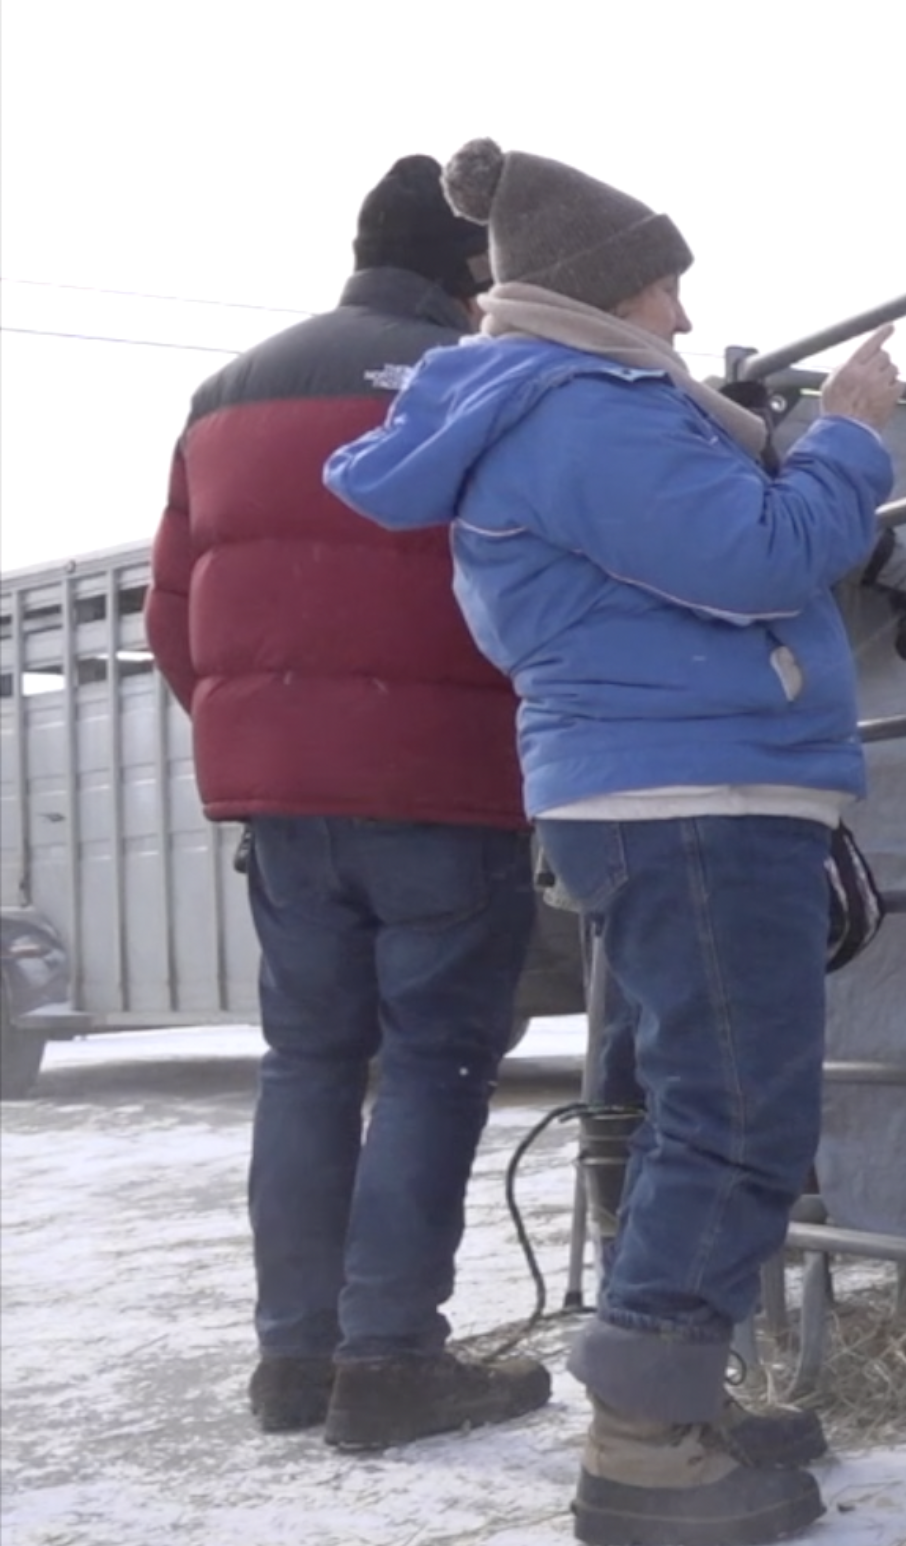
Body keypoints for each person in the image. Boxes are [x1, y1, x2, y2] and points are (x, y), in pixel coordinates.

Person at [326, 138, 905, 1546]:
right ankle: (647, 1438)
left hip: (670, 788)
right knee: (740, 1109)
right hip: (691, 792)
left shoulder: (568, 403)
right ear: (596, 293)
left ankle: (673, 1390)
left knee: (702, 1100)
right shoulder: (580, 411)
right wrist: (850, 433)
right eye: (662, 286)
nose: (684, 319)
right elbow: (766, 557)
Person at [147, 155, 552, 1452]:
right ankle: (387, 1360)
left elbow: (173, 609)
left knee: (309, 1064)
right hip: (445, 786)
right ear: (469, 271)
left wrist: (258, 727)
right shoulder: (473, 380)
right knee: (433, 1063)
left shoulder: (221, 395)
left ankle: (294, 1361)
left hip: (285, 801)